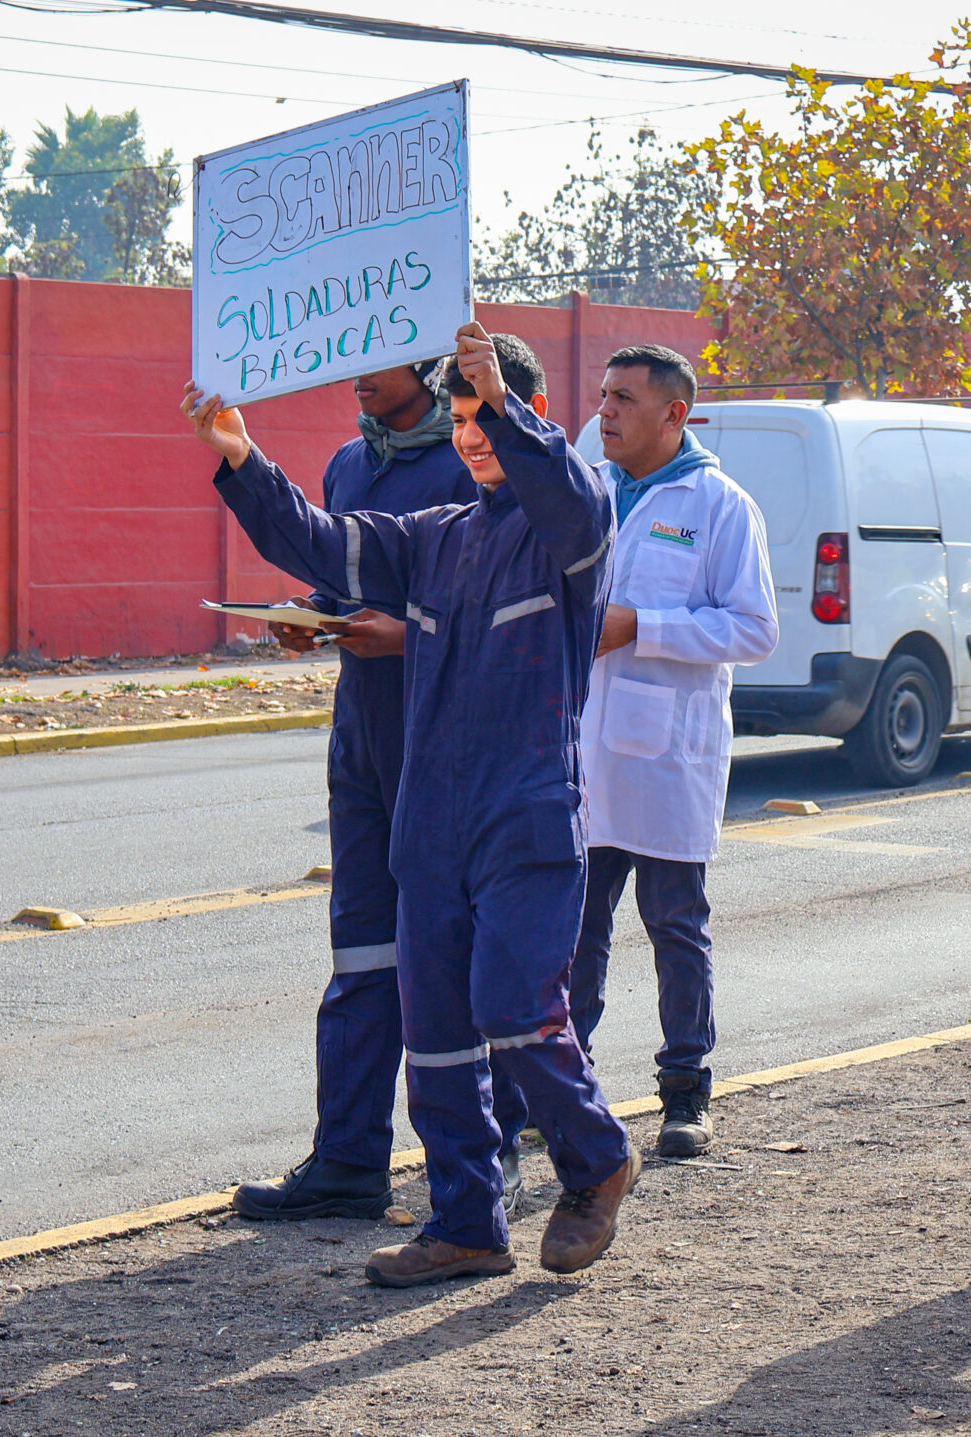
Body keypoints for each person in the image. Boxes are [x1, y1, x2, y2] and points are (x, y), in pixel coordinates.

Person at [186, 323, 638, 1288]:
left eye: (487, 421)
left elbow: (562, 489)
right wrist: (240, 454)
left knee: (514, 1009)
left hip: (525, 813)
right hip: (428, 821)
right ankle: (466, 1224)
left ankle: (597, 1159)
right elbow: (319, 540)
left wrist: (500, 403)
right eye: (466, 423)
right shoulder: (436, 538)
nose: (472, 439)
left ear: (528, 415)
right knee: (433, 1031)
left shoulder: (573, 523)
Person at [229, 362, 501, 1223]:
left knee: (451, 960)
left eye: (378, 357)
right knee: (360, 952)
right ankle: (348, 1157)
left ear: (424, 365)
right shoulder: (350, 463)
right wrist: (307, 613)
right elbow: (336, 564)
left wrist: (408, 638)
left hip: (444, 742)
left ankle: (484, 1170)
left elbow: (508, 613)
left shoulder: (480, 463)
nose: (357, 374)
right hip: (363, 743)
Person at [568, 344, 778, 1158]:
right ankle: (564, 1084)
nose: (605, 412)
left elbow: (754, 628)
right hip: (582, 749)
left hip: (667, 757)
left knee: (674, 926)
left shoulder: (720, 505)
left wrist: (641, 628)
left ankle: (686, 1091)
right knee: (574, 932)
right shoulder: (584, 492)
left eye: (623, 397)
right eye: (602, 395)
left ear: (675, 413)